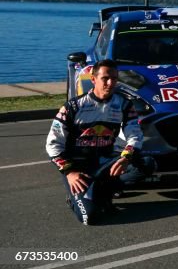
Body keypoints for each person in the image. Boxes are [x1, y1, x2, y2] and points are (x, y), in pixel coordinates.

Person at [45, 60, 154, 225]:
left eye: (114, 78)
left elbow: (135, 135)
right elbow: (53, 144)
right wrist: (69, 172)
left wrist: (126, 157)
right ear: (93, 79)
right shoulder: (73, 107)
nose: (110, 83)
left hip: (104, 161)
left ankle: (103, 193)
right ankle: (77, 198)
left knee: (147, 163)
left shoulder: (124, 104)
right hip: (78, 168)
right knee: (90, 218)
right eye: (105, 78)